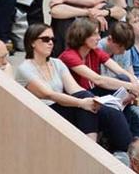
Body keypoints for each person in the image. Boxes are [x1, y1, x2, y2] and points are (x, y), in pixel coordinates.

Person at [16, 21, 132, 152]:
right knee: (85, 103)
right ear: (32, 42)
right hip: (42, 113)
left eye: (52, 39)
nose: (50, 42)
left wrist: (94, 101)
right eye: (45, 39)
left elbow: (75, 89)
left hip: (64, 107)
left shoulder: (57, 63)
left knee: (110, 112)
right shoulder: (24, 68)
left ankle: (127, 155)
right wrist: (82, 102)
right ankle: (92, 151)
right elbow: (48, 94)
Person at [60, 17, 139, 135]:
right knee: (114, 112)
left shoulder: (94, 51)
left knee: (124, 80)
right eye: (95, 34)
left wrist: (135, 81)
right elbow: (98, 80)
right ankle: (125, 146)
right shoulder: (69, 56)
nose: (99, 38)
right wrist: (130, 86)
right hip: (77, 99)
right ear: (82, 35)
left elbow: (119, 70)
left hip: (92, 93)